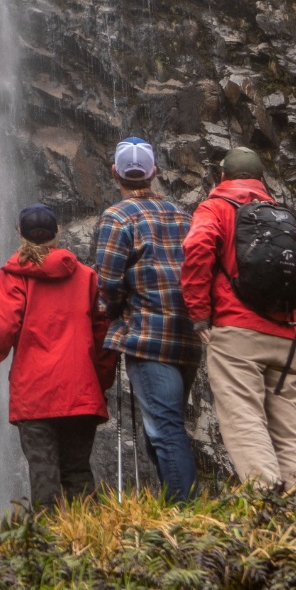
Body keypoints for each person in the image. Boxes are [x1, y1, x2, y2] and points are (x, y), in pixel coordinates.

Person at [180, 145, 296, 493]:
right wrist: (284, 316)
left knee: (244, 416)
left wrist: (200, 314)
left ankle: (266, 503)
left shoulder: (215, 208)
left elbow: (197, 249)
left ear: (222, 177)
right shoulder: (286, 220)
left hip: (236, 334)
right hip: (288, 341)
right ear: (263, 180)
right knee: (291, 428)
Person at [0, 203, 117, 509]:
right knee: (77, 472)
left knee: (43, 474)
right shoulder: (88, 277)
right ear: (58, 234)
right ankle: (88, 545)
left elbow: (3, 329)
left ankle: (46, 546)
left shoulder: (12, 277)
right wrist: (100, 381)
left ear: (19, 233)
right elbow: (104, 334)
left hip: (35, 393)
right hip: (80, 391)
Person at [89, 138, 204, 500]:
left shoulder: (117, 216)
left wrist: (118, 307)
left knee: (164, 428)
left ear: (114, 173)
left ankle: (186, 513)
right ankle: (178, 505)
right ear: (153, 173)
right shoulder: (184, 215)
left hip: (148, 335)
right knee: (168, 425)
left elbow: (106, 280)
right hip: (187, 336)